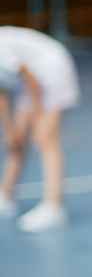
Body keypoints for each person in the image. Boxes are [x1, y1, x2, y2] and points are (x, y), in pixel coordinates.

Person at [0, 26, 80, 231]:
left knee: (46, 138)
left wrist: (38, 117)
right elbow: (1, 94)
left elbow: (32, 82)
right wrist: (10, 131)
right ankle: (5, 195)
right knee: (18, 140)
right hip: (30, 82)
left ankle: (54, 207)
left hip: (52, 71)